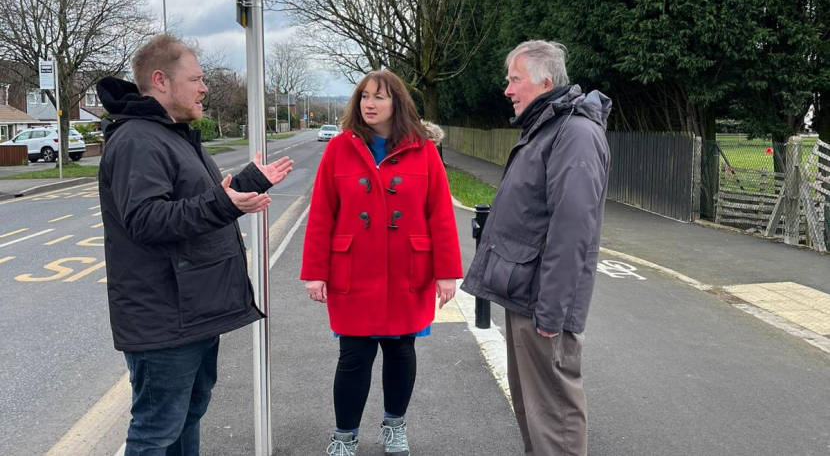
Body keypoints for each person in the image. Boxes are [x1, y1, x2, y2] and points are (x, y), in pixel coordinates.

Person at [96, 33, 293, 456]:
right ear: (161, 81)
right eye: (197, 79)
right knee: (156, 431)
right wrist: (224, 201)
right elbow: (146, 220)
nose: (205, 88)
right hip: (165, 319)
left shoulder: (173, 134)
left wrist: (245, 185)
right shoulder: (138, 139)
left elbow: (197, 203)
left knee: (186, 418)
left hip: (193, 311)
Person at [461, 40, 611, 456]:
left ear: (545, 82)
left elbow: (573, 230)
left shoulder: (574, 134)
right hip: (526, 294)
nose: (507, 89)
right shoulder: (547, 128)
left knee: (555, 417)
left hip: (543, 303)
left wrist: (552, 311)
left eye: (514, 80)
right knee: (535, 412)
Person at [301, 70, 462, 456]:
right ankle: (345, 434)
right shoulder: (339, 148)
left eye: (379, 97)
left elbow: (439, 212)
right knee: (354, 355)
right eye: (364, 97)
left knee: (401, 352)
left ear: (397, 104)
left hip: (408, 272)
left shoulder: (422, 149)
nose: (369, 104)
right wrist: (314, 272)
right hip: (353, 271)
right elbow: (322, 212)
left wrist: (448, 272)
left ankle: (394, 425)